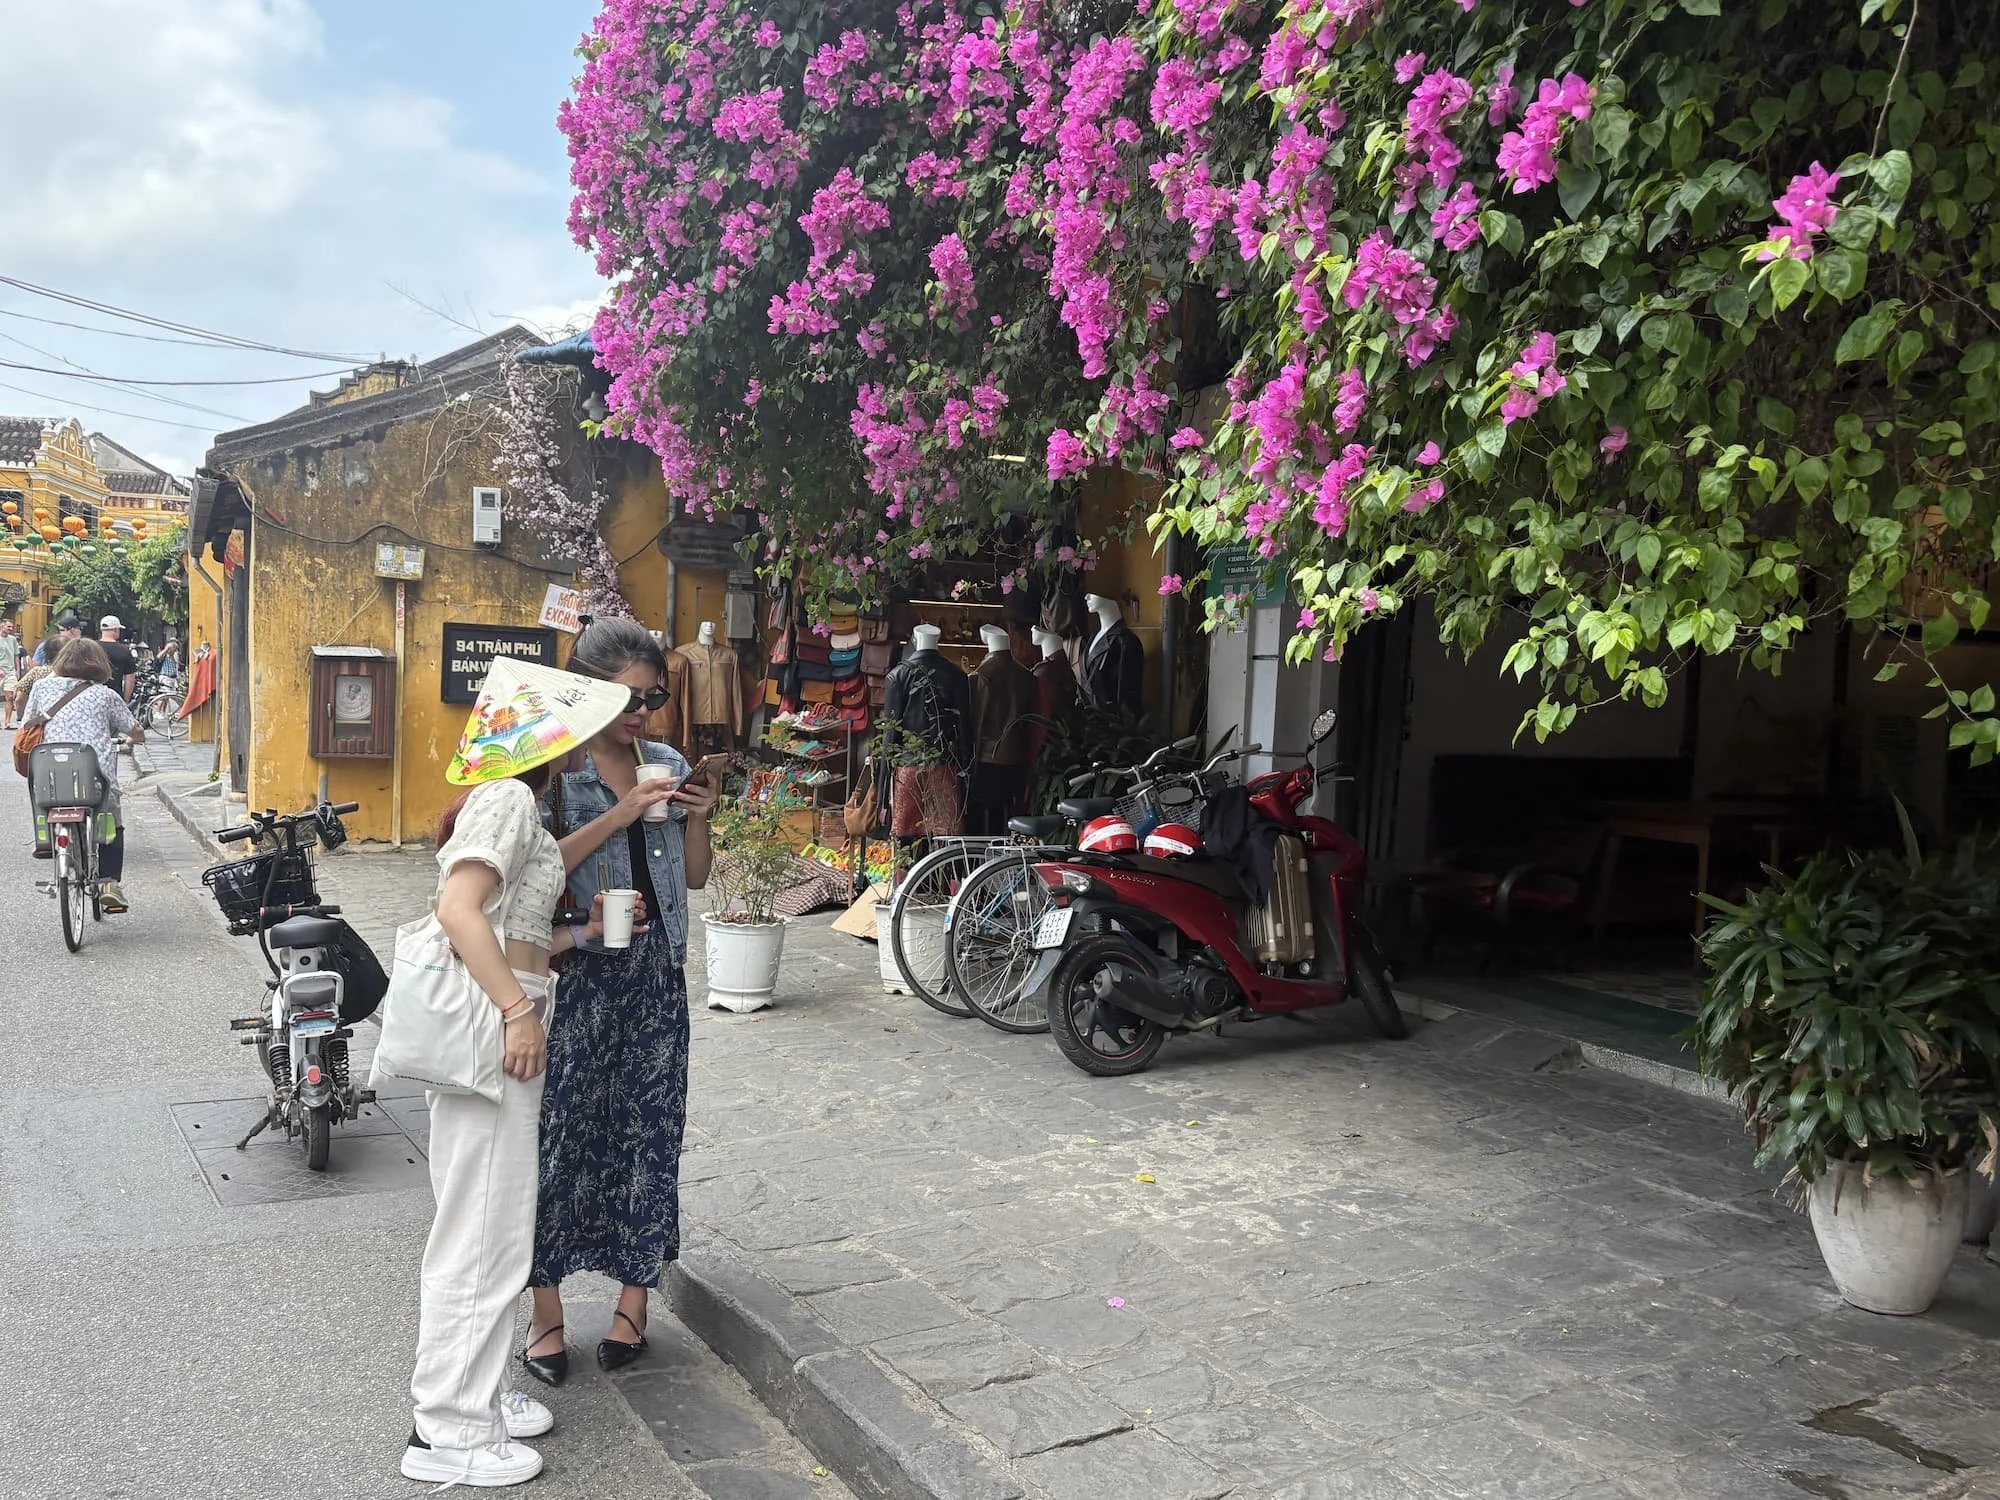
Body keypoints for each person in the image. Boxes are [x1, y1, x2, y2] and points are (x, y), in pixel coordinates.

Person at [402, 658, 641, 1490]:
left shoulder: (516, 804)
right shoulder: (507, 799)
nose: (581, 740)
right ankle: (449, 1430)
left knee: (492, 1224)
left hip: (506, 1018)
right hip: (496, 1028)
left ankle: (475, 1396)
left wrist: (575, 936)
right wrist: (516, 1009)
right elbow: (458, 910)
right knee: (483, 1233)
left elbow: (520, 909)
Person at [522, 617, 719, 1386]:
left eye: (654, 698)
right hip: (576, 978)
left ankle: (633, 1305)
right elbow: (532, 872)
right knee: (558, 1145)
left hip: (656, 980)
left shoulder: (666, 762)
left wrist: (700, 816)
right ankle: (545, 1315)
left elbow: (694, 878)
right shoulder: (553, 772)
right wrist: (620, 812)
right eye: (629, 698)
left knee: (649, 1141)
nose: (642, 713)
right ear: (589, 692)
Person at [20, 639, 145, 912]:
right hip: (94, 779)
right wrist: (136, 738)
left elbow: (26, 724)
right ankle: (109, 883)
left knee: (46, 799)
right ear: (99, 664)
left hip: (50, 777)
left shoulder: (41, 688)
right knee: (111, 817)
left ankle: (48, 842)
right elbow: (133, 728)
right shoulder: (105, 695)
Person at [97, 615, 137, 703]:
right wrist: (125, 701)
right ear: (116, 630)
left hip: (93, 697)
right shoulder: (124, 650)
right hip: (114, 698)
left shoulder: (91, 648)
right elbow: (130, 679)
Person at [0, 619, 23, 730]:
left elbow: (16, 655)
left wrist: (18, 670)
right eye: (8, 626)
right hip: (1, 670)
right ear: (2, 626)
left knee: (10, 697)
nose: (11, 629)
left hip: (10, 672)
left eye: (12, 627)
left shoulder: (13, 639)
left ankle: (7, 722)